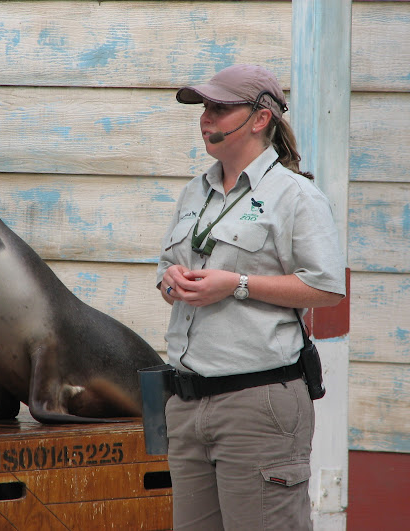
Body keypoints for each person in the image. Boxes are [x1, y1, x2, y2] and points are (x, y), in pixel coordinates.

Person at [156, 64, 346, 530]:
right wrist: (171, 283)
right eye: (204, 109)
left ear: (260, 118)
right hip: (184, 402)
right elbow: (165, 270)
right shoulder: (193, 192)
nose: (206, 119)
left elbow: (326, 287)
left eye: (220, 109)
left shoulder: (296, 195)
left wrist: (236, 284)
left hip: (257, 403)